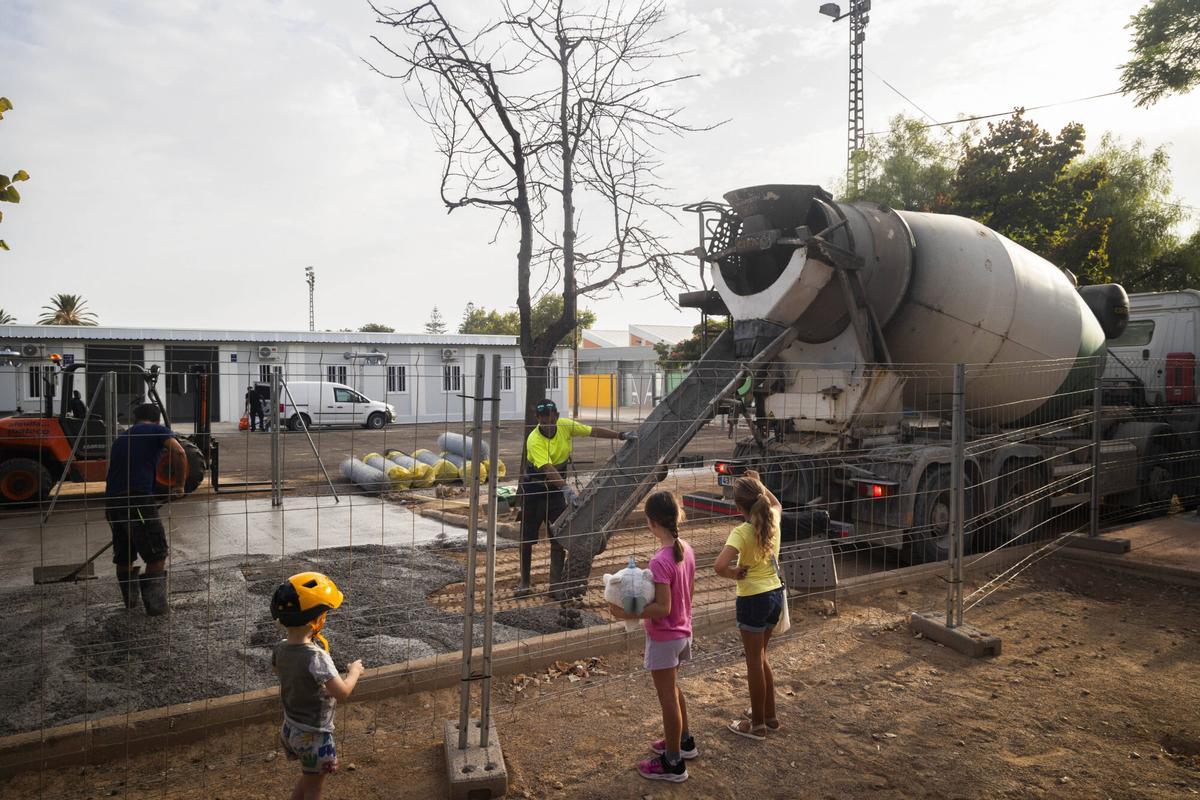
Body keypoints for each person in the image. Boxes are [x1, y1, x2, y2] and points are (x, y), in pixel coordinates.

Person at [608, 491, 696, 783]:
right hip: (683, 631)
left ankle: (673, 763)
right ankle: (683, 741)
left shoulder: (660, 560)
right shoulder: (686, 549)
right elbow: (685, 595)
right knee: (673, 689)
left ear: (651, 522)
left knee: (667, 697)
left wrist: (626, 613)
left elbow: (662, 608)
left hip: (665, 637)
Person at [516, 398, 637, 597]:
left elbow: (592, 431)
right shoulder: (534, 440)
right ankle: (525, 583)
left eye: (551, 420)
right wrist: (566, 488)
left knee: (559, 536)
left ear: (557, 416)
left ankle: (555, 585)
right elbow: (548, 468)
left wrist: (620, 435)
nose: (548, 425)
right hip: (534, 491)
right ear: (537, 419)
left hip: (555, 492)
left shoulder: (565, 426)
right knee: (527, 538)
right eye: (544, 421)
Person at [270, 572, 364, 800]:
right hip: (314, 735)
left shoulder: (280, 648)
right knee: (314, 789)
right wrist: (354, 672)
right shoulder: (316, 657)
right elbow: (342, 692)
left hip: (291, 728)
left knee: (308, 776)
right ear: (318, 619)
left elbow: (282, 672)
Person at [713, 470, 785, 740]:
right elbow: (777, 504)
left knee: (754, 661)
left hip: (752, 599)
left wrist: (734, 573)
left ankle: (757, 725)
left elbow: (719, 566)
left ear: (738, 507)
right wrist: (760, 483)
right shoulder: (773, 519)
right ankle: (769, 715)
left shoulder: (742, 532)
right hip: (774, 595)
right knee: (762, 657)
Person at [104, 402, 187, 615]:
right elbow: (179, 452)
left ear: (135, 419)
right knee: (156, 553)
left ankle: (131, 604)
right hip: (137, 500)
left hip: (113, 503)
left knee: (124, 555)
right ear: (157, 419)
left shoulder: (122, 437)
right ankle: (156, 610)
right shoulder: (156, 430)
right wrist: (179, 485)